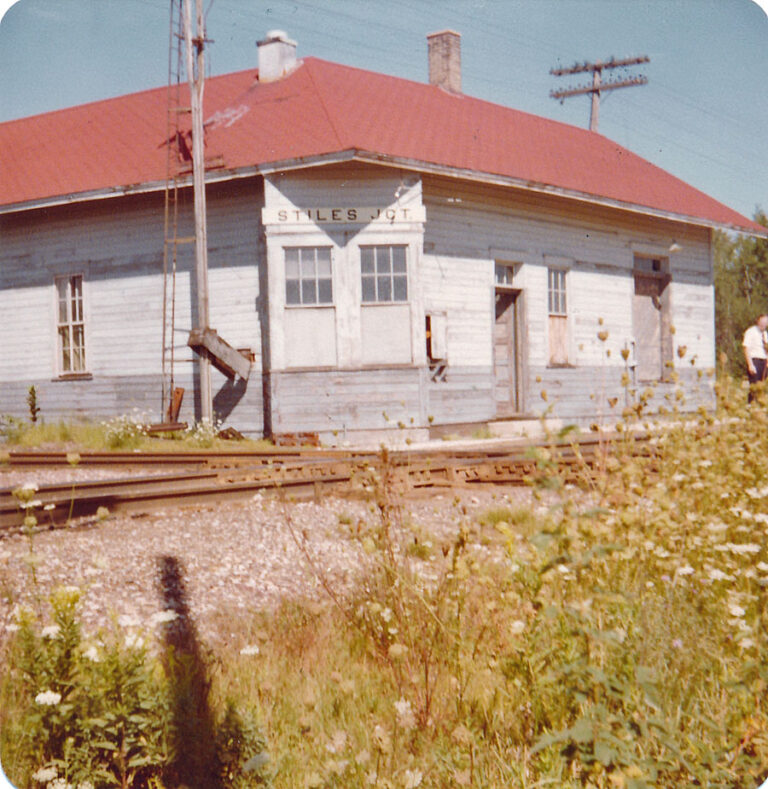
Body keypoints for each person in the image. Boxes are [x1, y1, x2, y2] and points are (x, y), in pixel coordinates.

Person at [743, 313, 768, 402]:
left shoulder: (765, 334)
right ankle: (751, 406)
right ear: (758, 321)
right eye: (762, 322)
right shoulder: (751, 332)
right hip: (755, 361)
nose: (764, 324)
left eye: (766, 322)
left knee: (762, 387)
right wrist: (750, 364)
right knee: (754, 387)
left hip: (764, 362)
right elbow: (746, 348)